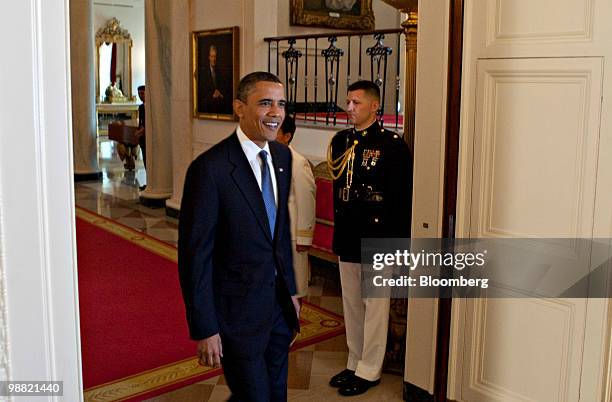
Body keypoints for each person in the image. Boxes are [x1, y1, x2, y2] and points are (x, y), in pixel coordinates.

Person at [178, 71, 300, 402]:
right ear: (239, 107)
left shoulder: (282, 157)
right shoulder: (210, 169)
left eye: (281, 104)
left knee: (276, 394)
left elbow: (280, 232)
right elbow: (195, 256)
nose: (276, 113)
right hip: (236, 317)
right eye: (265, 103)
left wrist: (290, 290)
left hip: (277, 312)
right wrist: (205, 327)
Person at [326, 80, 412, 396]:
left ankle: (371, 369)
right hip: (349, 233)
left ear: (375, 106)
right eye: (348, 102)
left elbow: (401, 199)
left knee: (375, 306)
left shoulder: (392, 145)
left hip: (378, 236)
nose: (349, 108)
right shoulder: (340, 142)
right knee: (351, 303)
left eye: (357, 103)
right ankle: (355, 360)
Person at [276, 115, 316, 299]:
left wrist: (304, 239)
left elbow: (306, 202)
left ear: (287, 136)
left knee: (293, 291)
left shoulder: (298, 163)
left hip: (291, 239)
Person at [201, 44, 232, 114]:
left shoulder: (218, 71)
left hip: (217, 103)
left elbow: (222, 86)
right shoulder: (203, 72)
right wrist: (212, 94)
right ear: (209, 57)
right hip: (207, 105)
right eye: (212, 56)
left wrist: (219, 92)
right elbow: (202, 92)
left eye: (215, 57)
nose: (214, 59)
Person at [135, 85, 147, 190]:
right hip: (143, 139)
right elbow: (141, 123)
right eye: (139, 94)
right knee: (145, 161)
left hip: (148, 138)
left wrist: (143, 131)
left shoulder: (151, 107)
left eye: (142, 93)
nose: (140, 96)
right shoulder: (141, 107)